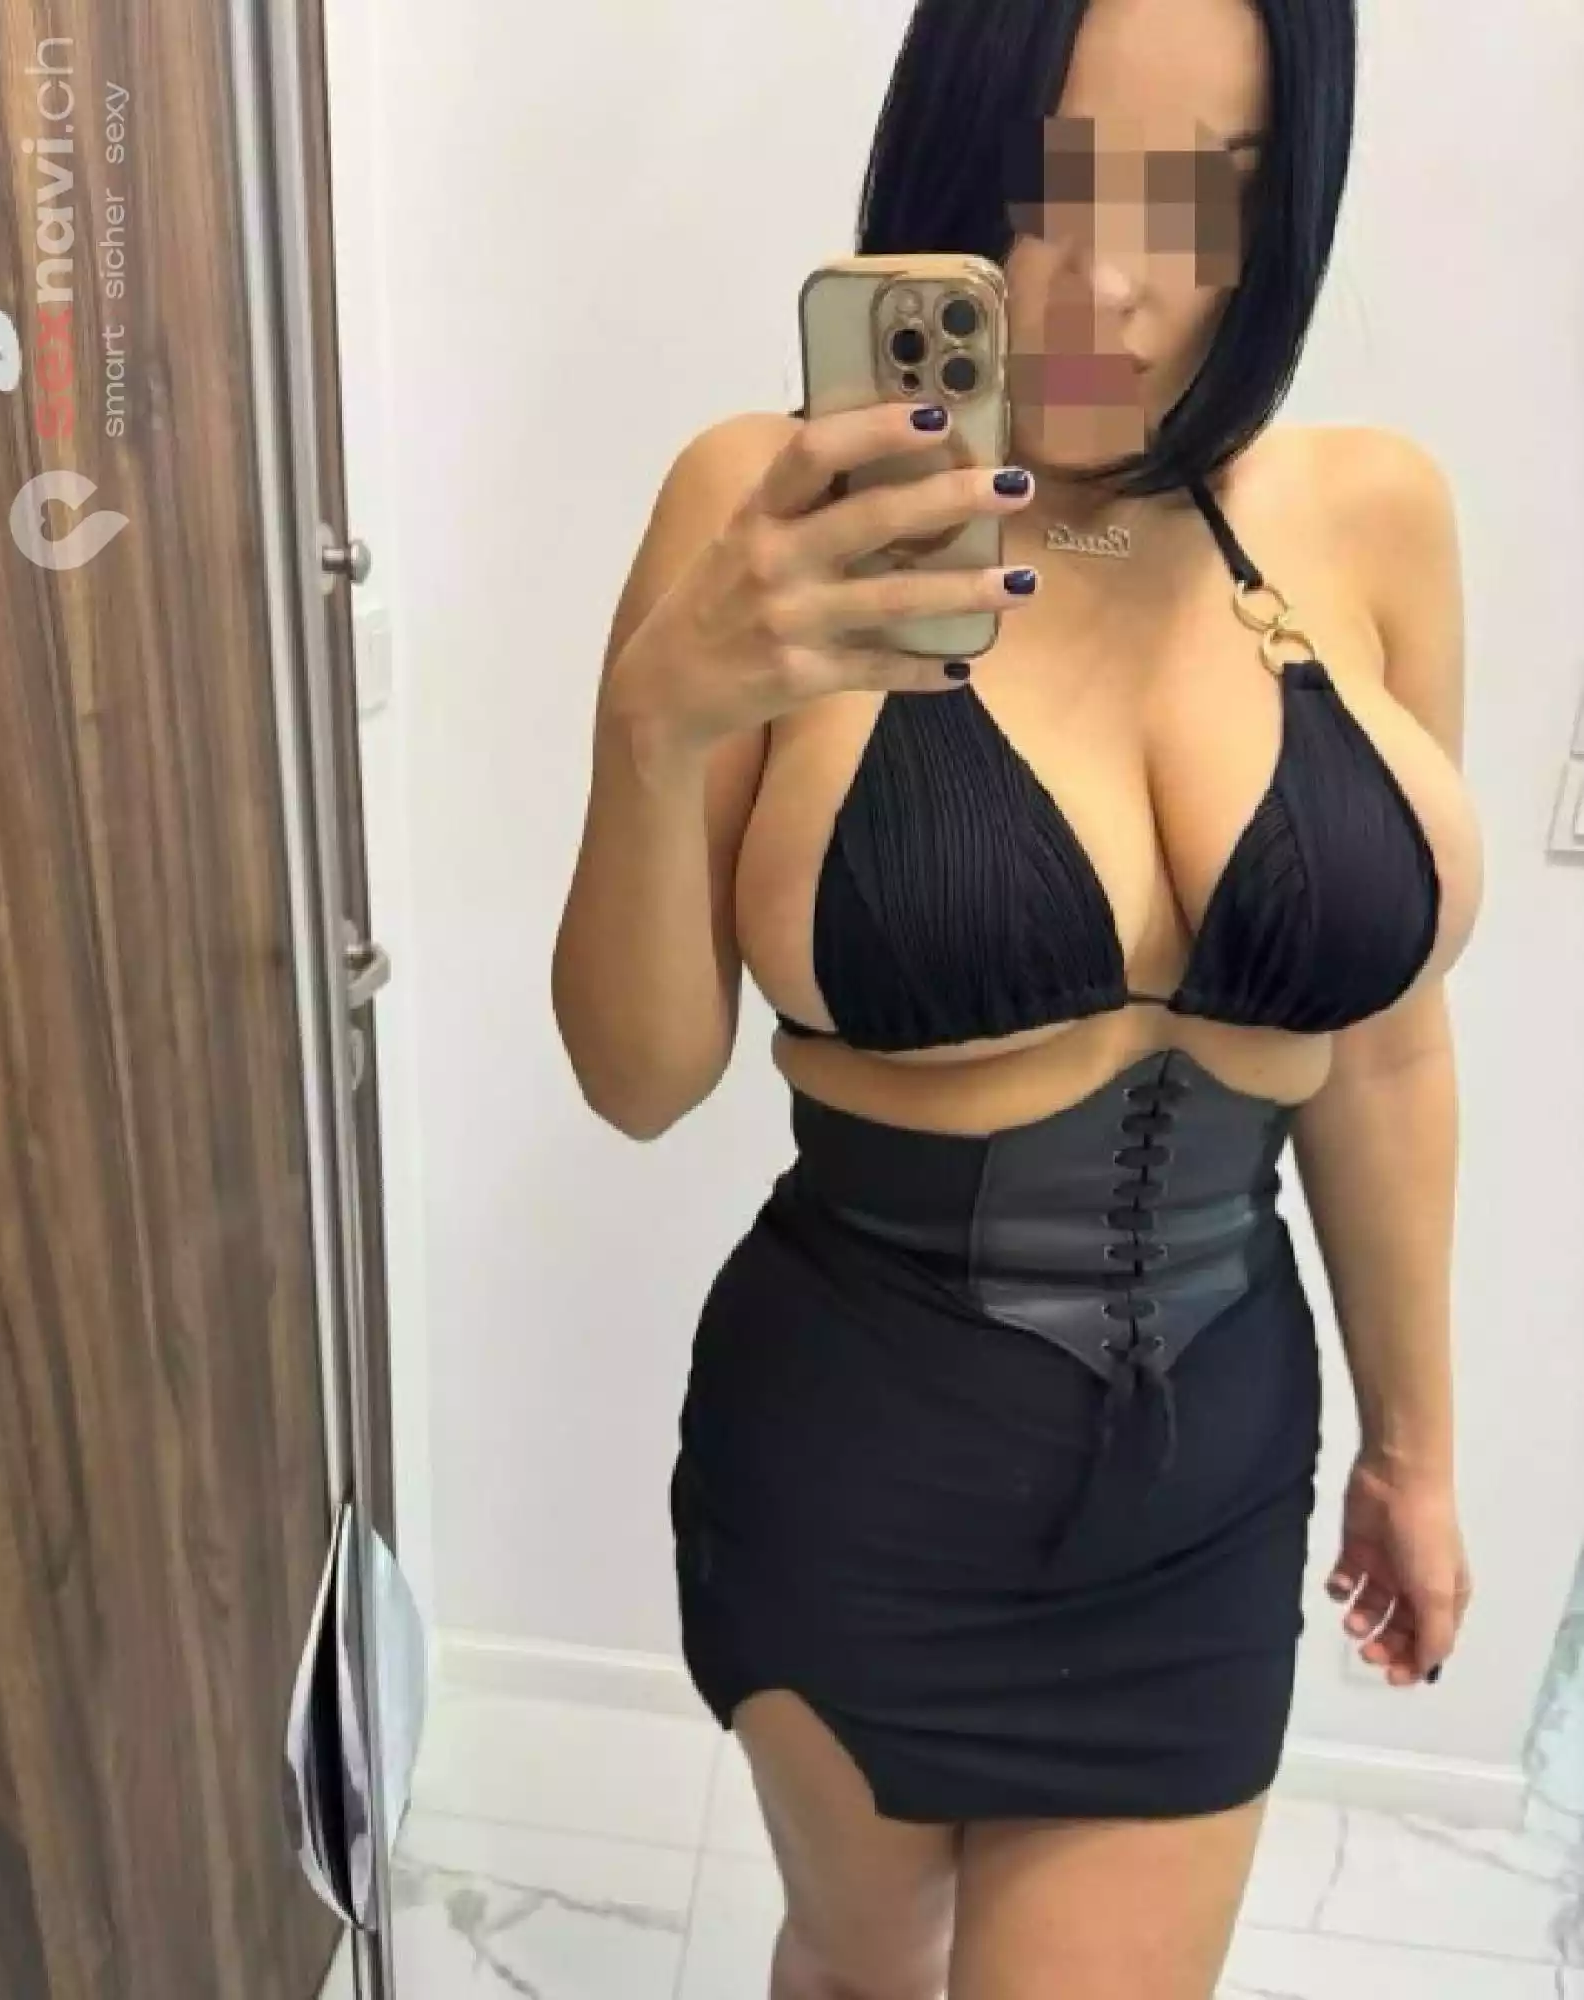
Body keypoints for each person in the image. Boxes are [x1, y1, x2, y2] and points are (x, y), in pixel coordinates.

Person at [551, 0, 1485, 1992]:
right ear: (955, 153)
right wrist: (651, 727)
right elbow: (638, 1078)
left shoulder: (1371, 519)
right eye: (1054, 185)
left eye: (1201, 196)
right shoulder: (763, 504)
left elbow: (1387, 1047)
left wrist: (1415, 1443)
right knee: (861, 1970)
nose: (1114, 284)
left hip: (1212, 1485)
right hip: (858, 1468)